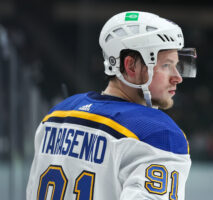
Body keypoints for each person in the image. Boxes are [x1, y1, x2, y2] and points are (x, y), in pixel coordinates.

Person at [26, 11, 197, 200]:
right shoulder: (158, 134)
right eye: (166, 65)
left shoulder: (57, 115)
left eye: (177, 65)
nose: (177, 77)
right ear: (131, 66)